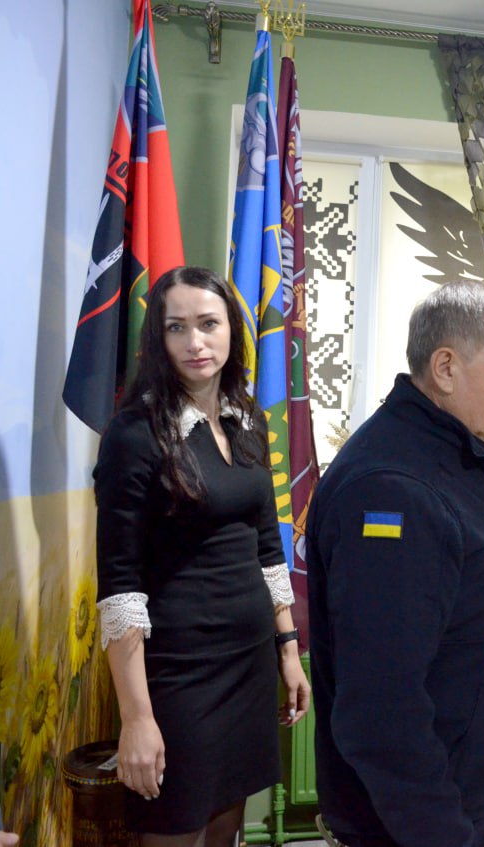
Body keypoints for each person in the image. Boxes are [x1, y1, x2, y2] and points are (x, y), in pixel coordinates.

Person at [307, 281, 484, 847]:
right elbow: (381, 714)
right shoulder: (393, 488)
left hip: (454, 798)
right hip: (416, 826)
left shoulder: (454, 450)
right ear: (446, 368)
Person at [94, 266, 309, 846]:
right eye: (177, 327)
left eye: (208, 324)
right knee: (174, 828)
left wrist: (288, 651)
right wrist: (138, 718)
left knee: (224, 834)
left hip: (248, 667)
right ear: (157, 339)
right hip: (179, 677)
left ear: (232, 330)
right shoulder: (135, 435)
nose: (195, 342)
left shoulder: (247, 421)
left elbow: (267, 544)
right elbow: (119, 588)